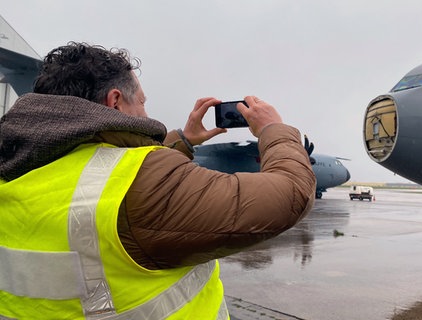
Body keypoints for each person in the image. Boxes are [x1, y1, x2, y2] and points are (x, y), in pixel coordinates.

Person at [0, 42, 316, 319]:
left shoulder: (14, 170)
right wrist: (274, 131)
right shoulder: (143, 184)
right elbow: (290, 194)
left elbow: (101, 174)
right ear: (115, 102)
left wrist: (184, 140)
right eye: (141, 101)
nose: (145, 109)